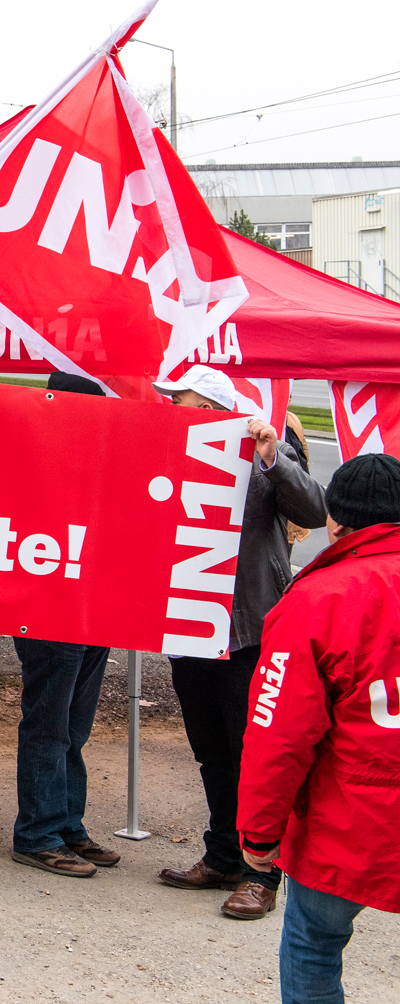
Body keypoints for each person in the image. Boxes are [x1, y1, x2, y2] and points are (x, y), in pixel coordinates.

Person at [153, 366, 326, 919]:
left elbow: (314, 511)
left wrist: (273, 458)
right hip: (189, 627)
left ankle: (262, 872)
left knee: (254, 755)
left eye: (183, 403)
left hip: (249, 631)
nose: (174, 411)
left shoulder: (260, 455)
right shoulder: (167, 455)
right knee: (211, 753)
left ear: (212, 412)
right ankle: (224, 854)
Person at [237, 453, 400, 1003]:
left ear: (334, 521)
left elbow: (278, 734)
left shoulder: (320, 598)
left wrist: (259, 834)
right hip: (361, 799)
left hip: (350, 817)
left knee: (314, 943)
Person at [9, 371, 120, 877]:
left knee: (73, 726)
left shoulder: (98, 461)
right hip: (51, 610)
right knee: (49, 722)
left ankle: (66, 823)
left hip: (92, 608)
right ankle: (38, 833)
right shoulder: (37, 461)